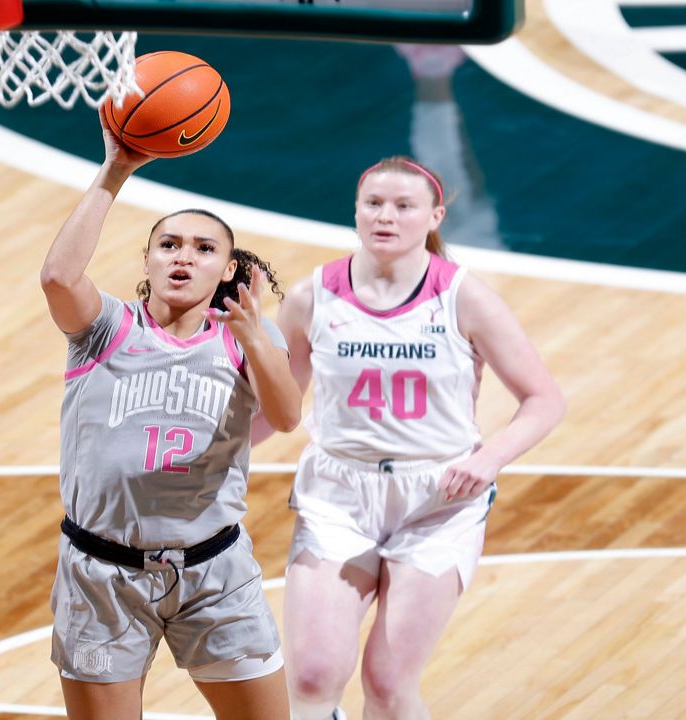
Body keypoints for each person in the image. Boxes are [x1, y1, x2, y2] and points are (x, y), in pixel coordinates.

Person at [259, 157, 565, 720]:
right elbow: (278, 408)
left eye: (404, 206)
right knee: (311, 675)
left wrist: (490, 458)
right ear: (355, 211)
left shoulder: (465, 298)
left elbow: (544, 399)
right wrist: (204, 453)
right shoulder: (310, 297)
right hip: (337, 492)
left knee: (389, 682)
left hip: (438, 498)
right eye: (374, 203)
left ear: (434, 216)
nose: (386, 216)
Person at [38, 119, 303, 720]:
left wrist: (252, 336)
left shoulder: (249, 337)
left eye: (205, 249)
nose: (185, 256)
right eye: (170, 244)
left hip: (215, 570)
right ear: (149, 259)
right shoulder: (106, 328)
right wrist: (116, 170)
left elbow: (287, 416)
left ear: (228, 268)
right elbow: (58, 277)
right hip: (102, 572)